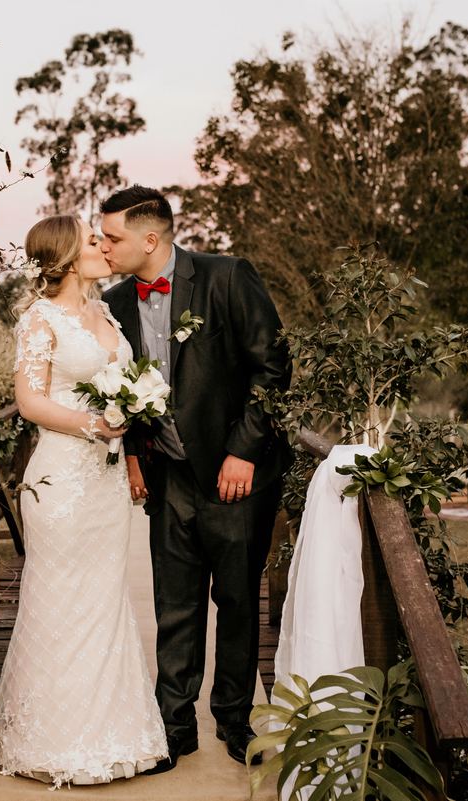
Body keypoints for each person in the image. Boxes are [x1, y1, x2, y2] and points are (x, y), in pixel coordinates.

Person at [100, 186, 292, 771]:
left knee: (236, 600)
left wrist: (244, 452)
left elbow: (273, 366)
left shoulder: (226, 276)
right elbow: (119, 387)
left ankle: (234, 719)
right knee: (175, 604)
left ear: (149, 239)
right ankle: (174, 728)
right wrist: (135, 454)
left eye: (112, 238)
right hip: (168, 474)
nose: (104, 247)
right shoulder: (114, 302)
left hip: (235, 476)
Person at [0, 215, 168, 786]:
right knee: (59, 597)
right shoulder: (40, 318)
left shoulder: (106, 312)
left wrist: (132, 414)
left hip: (106, 485)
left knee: (105, 598)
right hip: (61, 479)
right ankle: (49, 740)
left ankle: (114, 733)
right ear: (65, 257)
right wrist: (95, 423)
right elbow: (30, 401)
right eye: (93, 241)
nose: (104, 248)